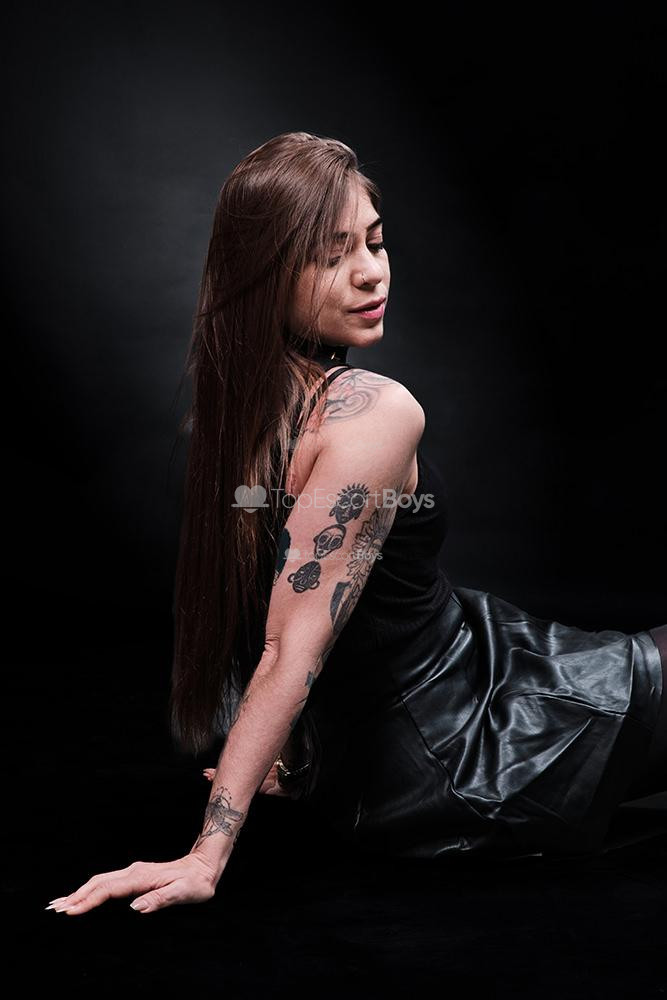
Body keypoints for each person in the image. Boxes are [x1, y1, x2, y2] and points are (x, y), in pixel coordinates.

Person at [45, 132, 666, 917]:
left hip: (451, 703)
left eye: (374, 241)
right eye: (330, 256)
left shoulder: (237, 410)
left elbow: (273, 605)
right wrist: (207, 852)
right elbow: (288, 645)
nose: (371, 272)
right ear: (262, 273)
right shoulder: (371, 413)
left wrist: (298, 763)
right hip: (472, 753)